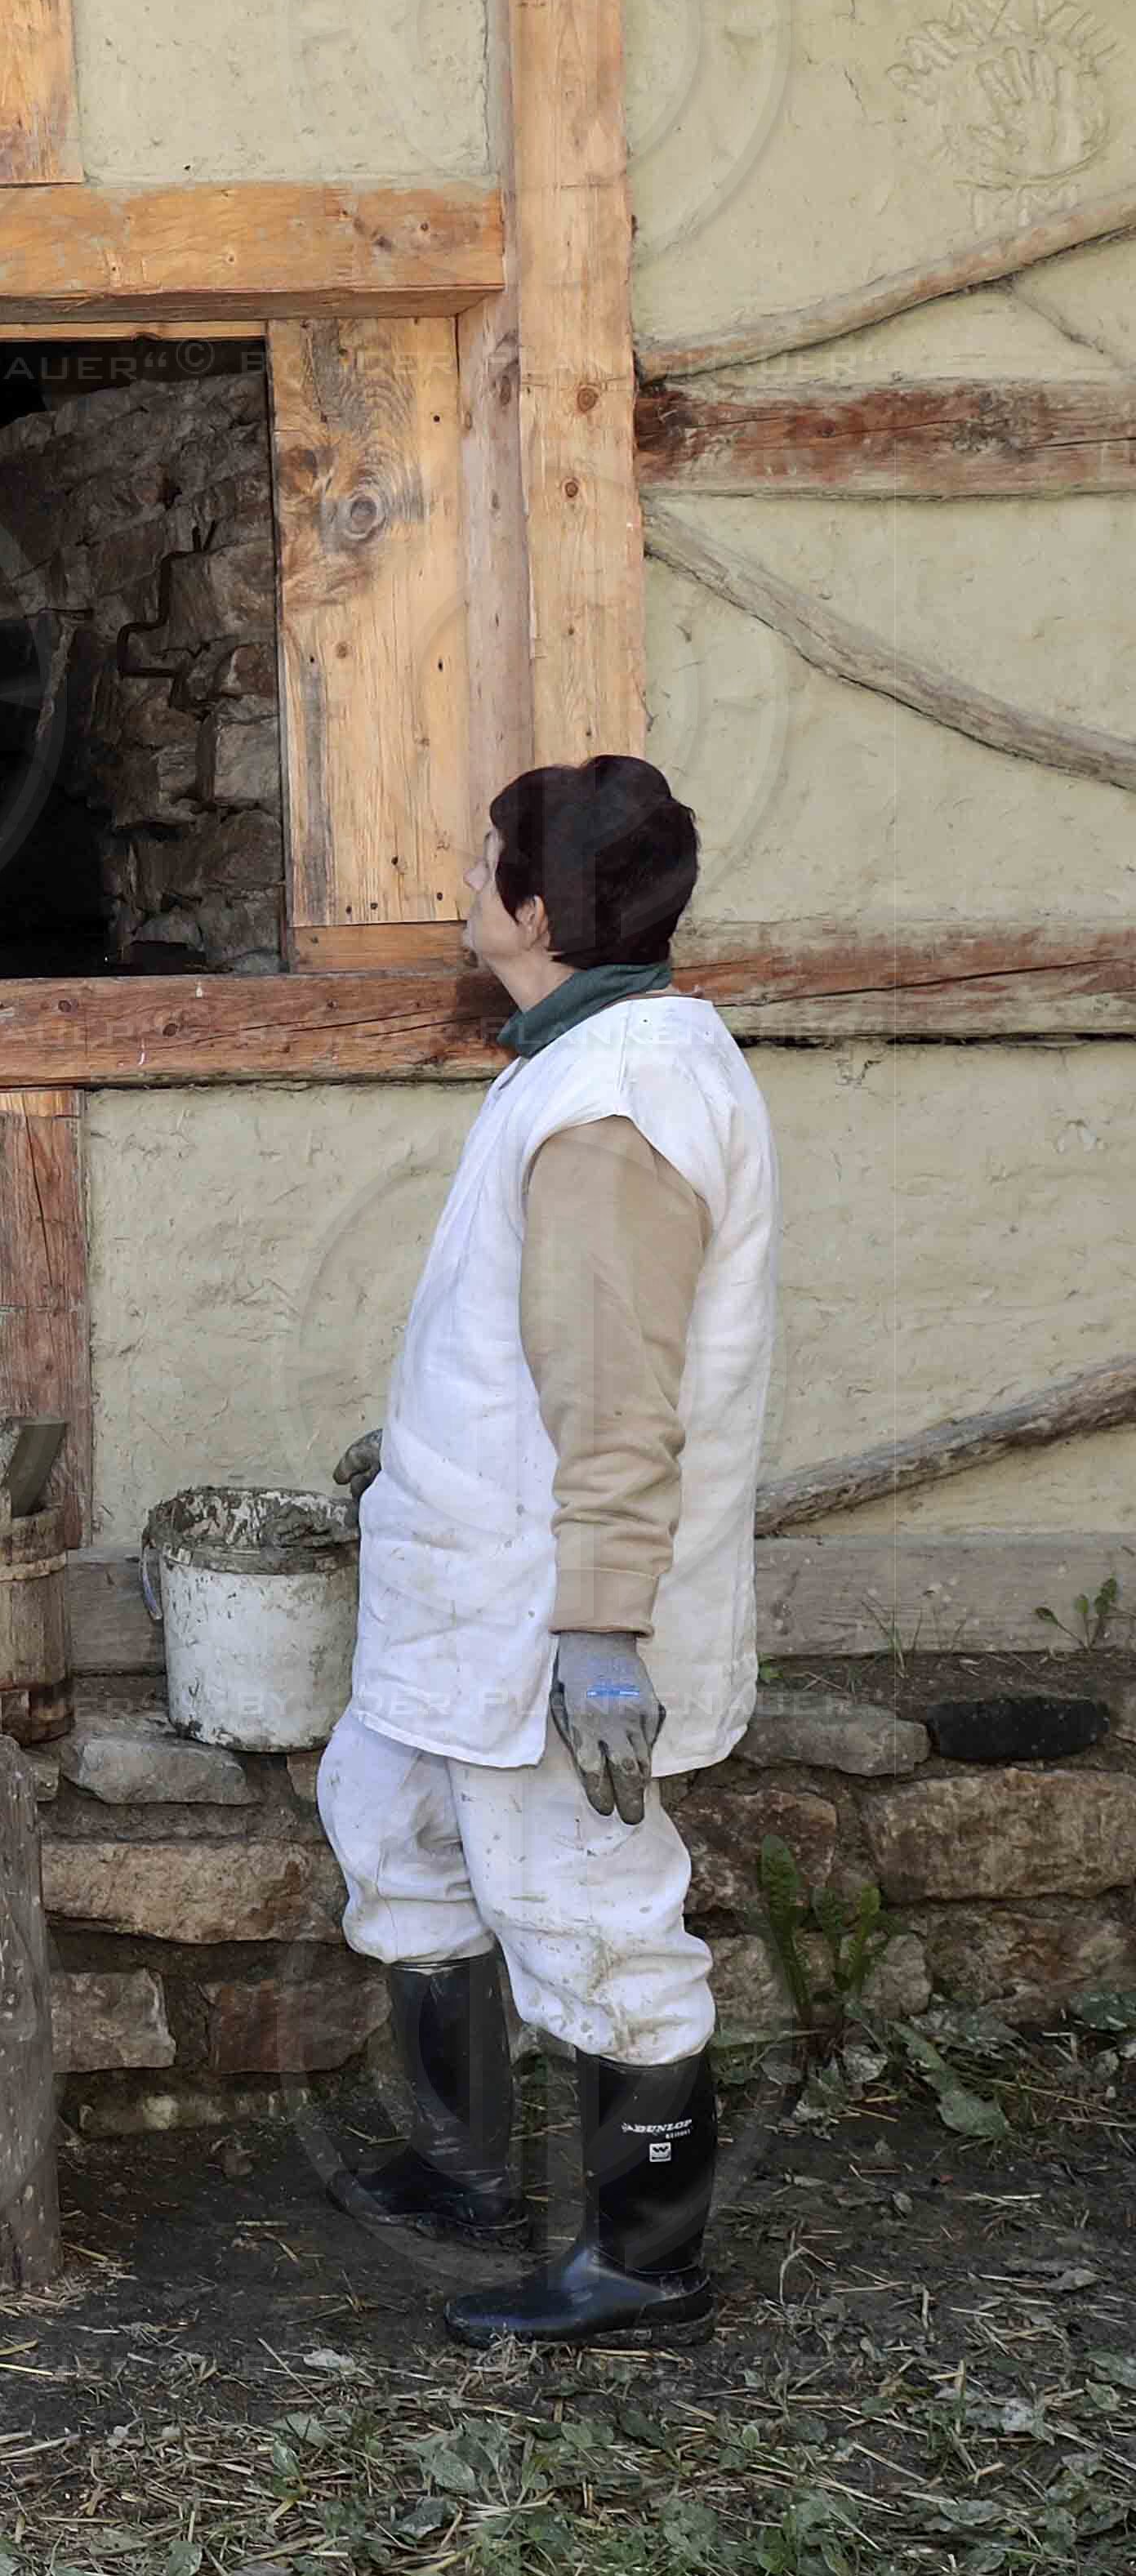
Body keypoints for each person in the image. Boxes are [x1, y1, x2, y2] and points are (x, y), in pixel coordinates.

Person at [326, 756, 773, 2347]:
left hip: (544, 1609)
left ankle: (645, 2261)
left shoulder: (614, 1105)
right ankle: (464, 2170)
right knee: (393, 1827)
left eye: (480, 865)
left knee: (589, 1913)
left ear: (534, 907)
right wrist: (421, 1443)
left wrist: (597, 1628)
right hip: (465, 1580)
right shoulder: (581, 1061)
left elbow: (616, 1396)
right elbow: (525, 1346)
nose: (460, 884)